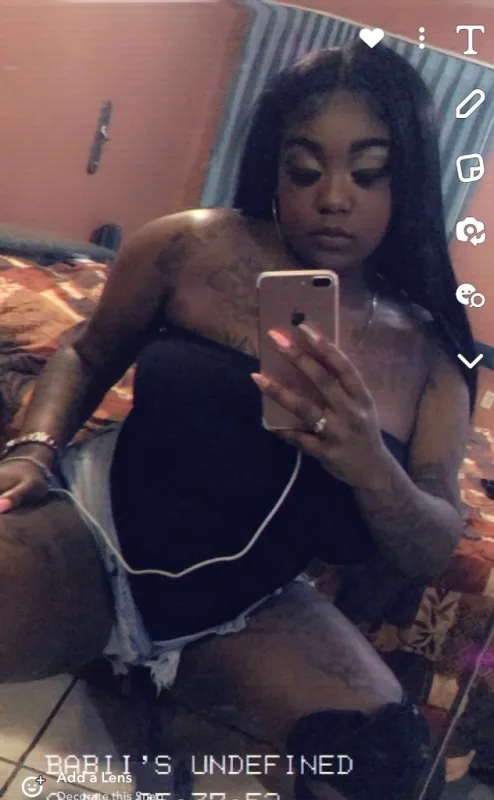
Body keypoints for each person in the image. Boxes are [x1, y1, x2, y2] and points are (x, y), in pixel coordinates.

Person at [0, 41, 477, 800]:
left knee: (383, 765)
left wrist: (369, 464)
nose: (333, 197)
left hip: (246, 607)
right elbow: (87, 355)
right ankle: (114, 668)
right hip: (92, 536)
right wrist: (31, 450)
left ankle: (152, 704)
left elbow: (431, 544)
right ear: (273, 168)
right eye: (305, 169)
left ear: (410, 179)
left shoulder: (433, 358)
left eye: (368, 172)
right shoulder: (189, 247)